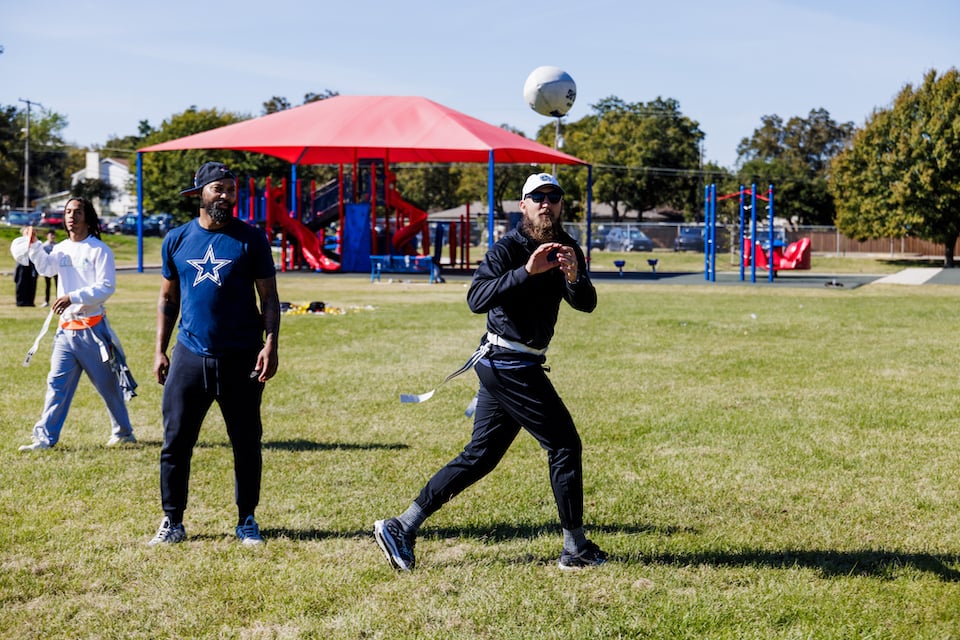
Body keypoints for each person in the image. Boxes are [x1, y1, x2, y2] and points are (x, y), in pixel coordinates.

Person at [374, 172, 607, 571]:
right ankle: (575, 548)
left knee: (480, 456)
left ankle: (402, 525)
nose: (546, 204)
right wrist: (526, 272)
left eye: (554, 197)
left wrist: (573, 277)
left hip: (519, 362)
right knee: (564, 445)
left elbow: (585, 304)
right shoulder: (508, 248)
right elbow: (476, 298)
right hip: (506, 362)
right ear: (524, 205)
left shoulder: (568, 247)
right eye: (538, 197)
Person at [150, 162, 280, 547]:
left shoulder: (251, 240)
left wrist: (271, 343)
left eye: (231, 189)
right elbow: (167, 299)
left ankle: (247, 519)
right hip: (189, 355)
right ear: (201, 193)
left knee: (245, 441)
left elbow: (269, 297)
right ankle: (172, 520)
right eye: (218, 189)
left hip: (241, 357)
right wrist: (159, 349)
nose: (226, 195)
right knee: (176, 441)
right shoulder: (176, 239)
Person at [15, 197, 138, 451]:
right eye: (68, 211)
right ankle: (44, 439)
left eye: (77, 212)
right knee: (56, 386)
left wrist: (73, 297)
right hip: (65, 332)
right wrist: (35, 246)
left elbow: (106, 287)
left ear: (88, 217)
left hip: (94, 331)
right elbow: (47, 269)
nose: (71, 216)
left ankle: (123, 432)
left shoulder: (99, 250)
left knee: (109, 387)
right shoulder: (60, 248)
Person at [11, 238, 38, 307]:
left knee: (31, 284)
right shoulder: (19, 242)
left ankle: (29, 301)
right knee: (21, 284)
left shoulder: (34, 243)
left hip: (31, 265)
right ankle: (21, 301)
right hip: (22, 265)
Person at [41, 228, 58, 307]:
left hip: (56, 268)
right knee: (47, 285)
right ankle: (46, 301)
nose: (52, 236)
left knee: (57, 285)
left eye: (53, 235)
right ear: (47, 236)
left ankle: (58, 300)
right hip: (48, 268)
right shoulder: (44, 246)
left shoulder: (57, 245)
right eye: (51, 235)